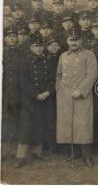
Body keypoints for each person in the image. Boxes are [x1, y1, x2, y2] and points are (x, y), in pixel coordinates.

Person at [56, 28, 98, 167]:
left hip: (82, 94)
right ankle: (74, 152)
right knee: (69, 123)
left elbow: (92, 74)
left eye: (76, 40)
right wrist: (59, 88)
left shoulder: (89, 54)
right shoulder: (63, 56)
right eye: (71, 40)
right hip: (65, 95)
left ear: (81, 41)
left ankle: (87, 155)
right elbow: (59, 74)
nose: (73, 42)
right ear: (67, 41)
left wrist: (81, 90)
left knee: (83, 124)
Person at [14, 36, 52, 168]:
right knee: (25, 127)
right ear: (31, 47)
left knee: (39, 125)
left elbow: (52, 80)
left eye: (41, 46)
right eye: (36, 46)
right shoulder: (24, 61)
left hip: (44, 98)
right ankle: (21, 156)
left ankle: (37, 152)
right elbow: (23, 82)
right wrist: (35, 94)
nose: (39, 48)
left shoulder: (47, 61)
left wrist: (48, 92)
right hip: (29, 99)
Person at [2, 26, 22, 162]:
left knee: (15, 120)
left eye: (14, 36)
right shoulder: (2, 52)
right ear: (5, 39)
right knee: (4, 121)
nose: (12, 38)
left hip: (17, 92)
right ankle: (3, 151)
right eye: (9, 36)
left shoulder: (22, 53)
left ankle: (14, 150)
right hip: (3, 91)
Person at [43, 37, 62, 155]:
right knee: (50, 118)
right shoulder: (45, 60)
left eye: (56, 45)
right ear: (47, 48)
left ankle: (62, 143)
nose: (54, 47)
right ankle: (51, 145)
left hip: (62, 91)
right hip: (50, 93)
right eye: (51, 45)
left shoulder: (64, 58)